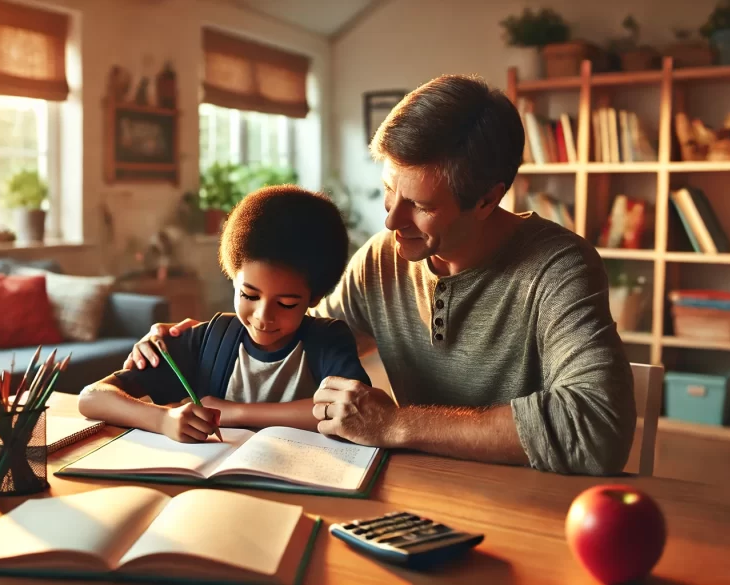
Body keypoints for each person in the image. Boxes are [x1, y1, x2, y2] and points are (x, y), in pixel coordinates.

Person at [124, 74, 636, 475]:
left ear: (487, 198)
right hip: (409, 489)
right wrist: (172, 347)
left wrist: (396, 423)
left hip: (523, 498)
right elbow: (294, 332)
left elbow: (597, 430)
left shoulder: (557, 267)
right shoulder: (383, 258)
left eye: (418, 204)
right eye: (389, 190)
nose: (390, 220)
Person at [79, 185, 371, 443]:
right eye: (249, 295)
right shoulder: (207, 341)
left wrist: (235, 412)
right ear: (233, 278)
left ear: (315, 296)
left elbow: (353, 410)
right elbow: (92, 398)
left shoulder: (328, 341)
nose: (262, 316)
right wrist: (162, 420)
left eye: (285, 303)